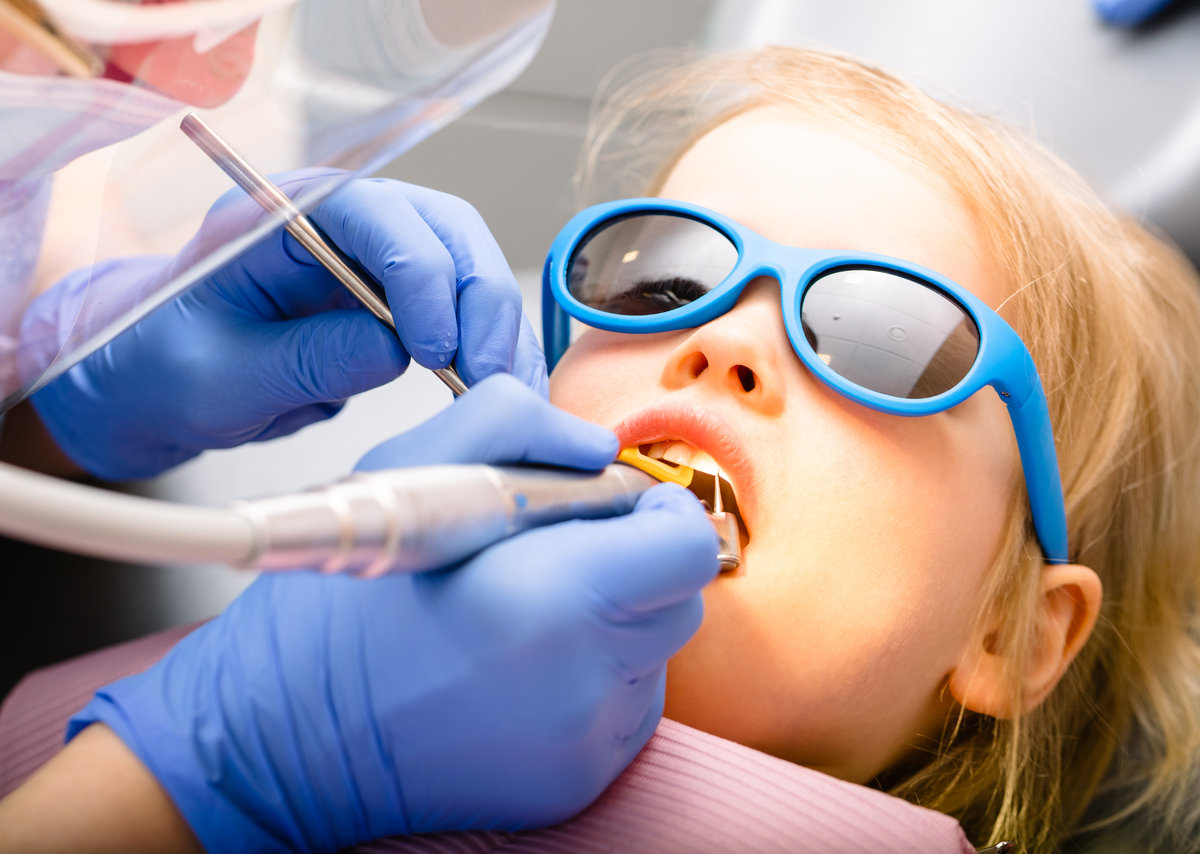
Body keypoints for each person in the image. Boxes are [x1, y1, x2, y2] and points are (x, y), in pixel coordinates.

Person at [4, 42, 1200, 853]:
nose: (723, 344)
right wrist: (52, 395)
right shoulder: (274, 670)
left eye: (883, 335)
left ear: (1010, 632)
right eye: (668, 274)